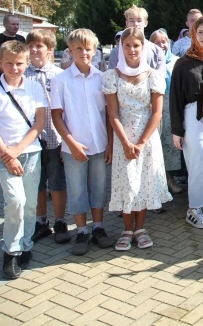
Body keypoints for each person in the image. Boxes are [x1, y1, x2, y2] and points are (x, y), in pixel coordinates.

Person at [0, 40, 47, 279]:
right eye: (9, 63)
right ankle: (11, 250)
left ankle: (26, 244)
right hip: (3, 155)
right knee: (14, 202)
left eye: (19, 63)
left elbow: (39, 123)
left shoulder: (35, 88)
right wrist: (9, 154)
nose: (14, 68)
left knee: (28, 204)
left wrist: (18, 149)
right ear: (0, 62)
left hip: (29, 152)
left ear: (27, 63)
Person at [103, 29, 171, 250]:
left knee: (143, 183)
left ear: (143, 48)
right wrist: (123, 142)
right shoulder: (112, 76)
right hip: (123, 135)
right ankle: (126, 229)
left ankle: (140, 228)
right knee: (126, 183)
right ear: (121, 48)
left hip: (147, 138)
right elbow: (112, 113)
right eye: (127, 45)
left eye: (136, 45)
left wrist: (141, 142)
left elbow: (157, 112)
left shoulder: (153, 76)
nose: (132, 50)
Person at [51, 29, 114, 255]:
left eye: (88, 49)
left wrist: (110, 144)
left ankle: (97, 227)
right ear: (70, 50)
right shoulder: (60, 80)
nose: (84, 53)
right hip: (74, 147)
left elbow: (108, 113)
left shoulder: (102, 78)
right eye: (79, 48)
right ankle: (81, 230)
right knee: (77, 190)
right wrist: (71, 143)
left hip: (99, 144)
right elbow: (57, 116)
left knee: (98, 187)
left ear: (95, 51)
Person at [170, 16, 203, 229]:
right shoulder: (183, 63)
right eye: (200, 32)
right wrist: (177, 130)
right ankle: (193, 208)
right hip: (193, 116)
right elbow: (175, 98)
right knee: (198, 163)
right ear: (193, 33)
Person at [24, 30, 70, 245]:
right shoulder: (22, 75)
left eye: (39, 46)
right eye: (31, 45)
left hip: (55, 138)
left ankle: (60, 220)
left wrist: (67, 139)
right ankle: (41, 222)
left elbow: (67, 110)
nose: (34, 50)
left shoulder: (59, 76)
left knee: (57, 182)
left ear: (50, 50)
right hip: (31, 140)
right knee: (37, 183)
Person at [150, 29, 182, 194]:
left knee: (170, 145)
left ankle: (170, 178)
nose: (161, 45)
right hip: (153, 106)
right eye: (157, 42)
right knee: (156, 145)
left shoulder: (177, 61)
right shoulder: (148, 62)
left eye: (164, 41)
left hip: (172, 106)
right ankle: (160, 183)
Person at [109, 6, 166, 80]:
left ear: (145, 23)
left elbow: (160, 81)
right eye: (132, 21)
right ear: (127, 23)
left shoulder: (157, 52)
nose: (136, 24)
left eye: (139, 20)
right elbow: (111, 79)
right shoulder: (116, 52)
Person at [0, 14, 26, 81]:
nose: (16, 27)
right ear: (5, 24)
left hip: (20, 77)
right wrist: (8, 73)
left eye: (17, 24)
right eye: (13, 24)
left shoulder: (21, 39)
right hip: (2, 78)